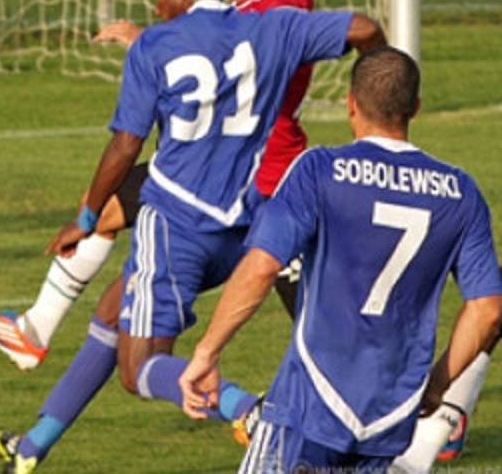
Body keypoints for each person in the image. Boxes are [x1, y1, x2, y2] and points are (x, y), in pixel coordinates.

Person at [0, 0, 385, 474]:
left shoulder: (155, 46)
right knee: (114, 307)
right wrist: (374, 108)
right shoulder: (275, 28)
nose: (155, 6)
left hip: (175, 226)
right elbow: (365, 29)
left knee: (139, 370)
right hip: (240, 231)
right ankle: (32, 448)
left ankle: (250, 412)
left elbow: (125, 146)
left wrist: (87, 217)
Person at [0, 0, 313, 372]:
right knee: (110, 242)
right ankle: (34, 337)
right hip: (220, 156)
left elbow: (213, 61)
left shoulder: (279, 9)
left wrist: (152, 45)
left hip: (254, 174)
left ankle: (246, 405)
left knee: (313, 317)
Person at [179, 47, 502, 471]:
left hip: (308, 404)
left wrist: (206, 353)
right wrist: (438, 385)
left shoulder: (319, 169)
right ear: (415, 108)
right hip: (389, 416)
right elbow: (488, 310)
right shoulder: (461, 193)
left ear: (351, 103)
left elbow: (262, 267)